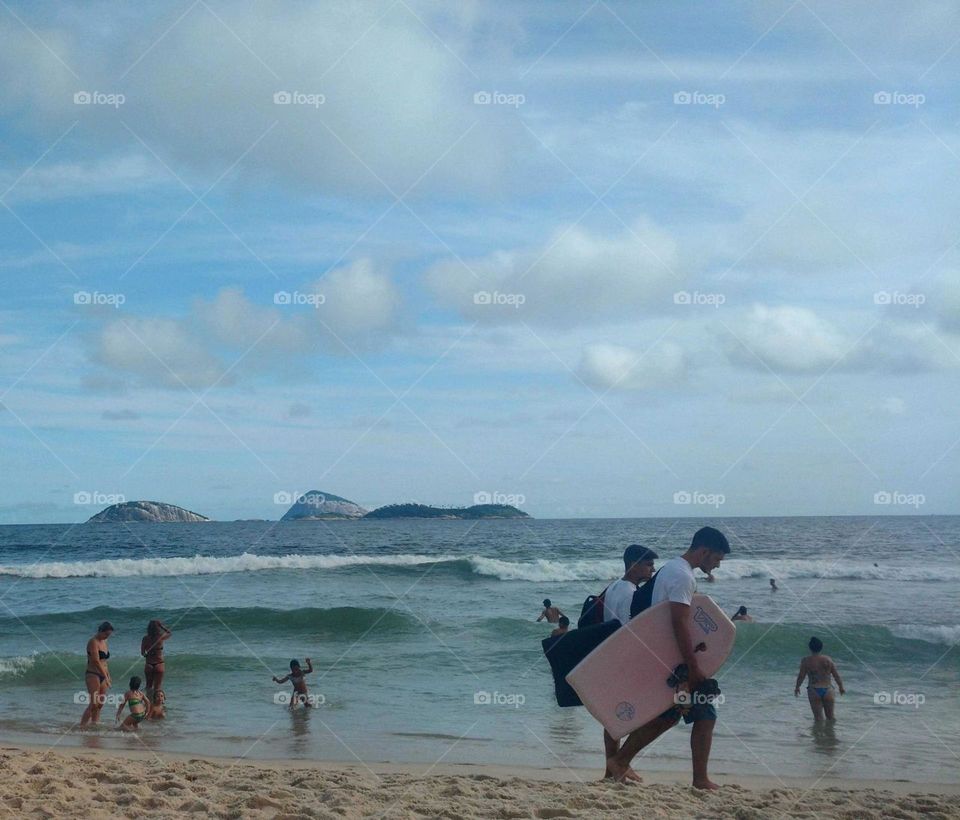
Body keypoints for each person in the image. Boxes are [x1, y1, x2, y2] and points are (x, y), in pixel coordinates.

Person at [605, 527, 730, 790]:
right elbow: (678, 622)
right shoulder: (682, 576)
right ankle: (624, 761)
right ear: (704, 551)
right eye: (717, 559)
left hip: (664, 658)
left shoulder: (672, 568)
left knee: (684, 713)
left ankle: (623, 761)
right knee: (689, 713)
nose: (718, 565)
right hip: (673, 663)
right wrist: (693, 667)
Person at [600, 543, 658, 782]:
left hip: (609, 657)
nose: (652, 570)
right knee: (631, 715)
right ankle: (621, 764)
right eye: (648, 564)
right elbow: (628, 630)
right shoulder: (629, 593)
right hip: (623, 660)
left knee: (612, 717)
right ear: (634, 565)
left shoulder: (613, 587)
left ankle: (613, 768)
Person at [795, 637, 845, 721]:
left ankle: (818, 734)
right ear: (821, 647)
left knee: (818, 719)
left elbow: (801, 676)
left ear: (810, 647)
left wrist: (797, 687)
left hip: (814, 690)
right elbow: (836, 675)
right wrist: (841, 687)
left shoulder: (806, 660)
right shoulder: (828, 660)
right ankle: (831, 733)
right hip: (828, 690)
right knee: (831, 717)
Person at [80, 621, 113, 727]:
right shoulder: (93, 642)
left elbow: (105, 662)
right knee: (94, 703)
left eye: (109, 635)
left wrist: (108, 675)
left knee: (100, 703)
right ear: (100, 631)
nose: (107, 636)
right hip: (93, 674)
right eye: (106, 634)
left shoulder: (104, 641)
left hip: (103, 674)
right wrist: (105, 677)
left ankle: (95, 724)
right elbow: (96, 661)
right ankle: (82, 726)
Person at [141, 620, 172, 697]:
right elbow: (170, 633)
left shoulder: (145, 638)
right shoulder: (161, 637)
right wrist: (162, 626)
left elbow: (143, 653)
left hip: (149, 664)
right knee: (157, 688)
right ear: (158, 628)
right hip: (159, 664)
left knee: (148, 687)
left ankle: (148, 703)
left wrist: (147, 654)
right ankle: (156, 705)